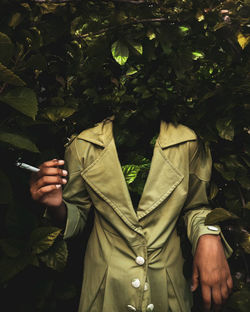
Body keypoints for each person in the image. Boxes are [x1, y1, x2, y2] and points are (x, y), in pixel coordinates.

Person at [30, 111, 233, 312]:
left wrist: (209, 237)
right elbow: (78, 216)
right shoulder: (83, 145)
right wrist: (55, 205)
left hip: (167, 287)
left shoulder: (188, 141)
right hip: (106, 290)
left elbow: (197, 206)